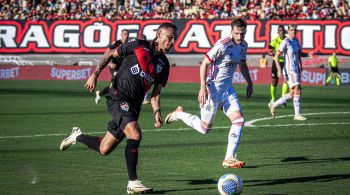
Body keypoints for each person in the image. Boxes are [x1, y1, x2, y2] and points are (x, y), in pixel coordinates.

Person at [59, 22, 177, 194]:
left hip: (133, 107)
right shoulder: (138, 45)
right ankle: (133, 182)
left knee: (104, 149)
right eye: (170, 37)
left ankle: (77, 136)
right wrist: (94, 75)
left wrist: (157, 112)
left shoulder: (163, 65)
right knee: (135, 133)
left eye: (174, 38)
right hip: (118, 97)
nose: (172, 41)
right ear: (159, 35)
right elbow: (110, 54)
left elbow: (155, 94)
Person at [164, 19, 253, 169]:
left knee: (239, 120)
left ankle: (229, 158)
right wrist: (203, 88)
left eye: (242, 33)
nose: (239, 36)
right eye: (237, 33)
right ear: (231, 31)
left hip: (227, 90)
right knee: (204, 129)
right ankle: (179, 114)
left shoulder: (243, 45)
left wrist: (249, 82)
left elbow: (243, 64)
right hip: (212, 89)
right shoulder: (222, 44)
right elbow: (204, 63)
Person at [268, 24, 313, 121]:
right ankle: (297, 115)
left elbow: (300, 53)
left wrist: (308, 54)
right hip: (289, 70)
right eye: (292, 30)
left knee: (293, 93)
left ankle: (274, 105)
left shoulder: (296, 41)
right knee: (297, 89)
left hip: (295, 69)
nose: (294, 32)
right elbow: (276, 56)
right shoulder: (285, 42)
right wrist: (279, 70)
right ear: (288, 31)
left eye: (295, 30)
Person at [95, 29, 130, 104]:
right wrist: (110, 62)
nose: (126, 36)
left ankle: (100, 93)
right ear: (121, 35)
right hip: (114, 66)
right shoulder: (116, 43)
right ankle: (114, 98)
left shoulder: (129, 44)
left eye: (127, 34)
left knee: (115, 85)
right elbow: (106, 53)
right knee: (117, 80)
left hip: (122, 67)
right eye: (124, 34)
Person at [268, 25, 288, 107]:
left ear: (285, 31)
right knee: (274, 82)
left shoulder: (288, 40)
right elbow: (269, 51)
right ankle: (273, 99)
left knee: (286, 80)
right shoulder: (275, 41)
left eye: (283, 30)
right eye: (280, 30)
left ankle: (283, 99)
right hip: (276, 62)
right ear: (278, 32)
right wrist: (273, 53)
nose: (282, 32)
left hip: (287, 62)